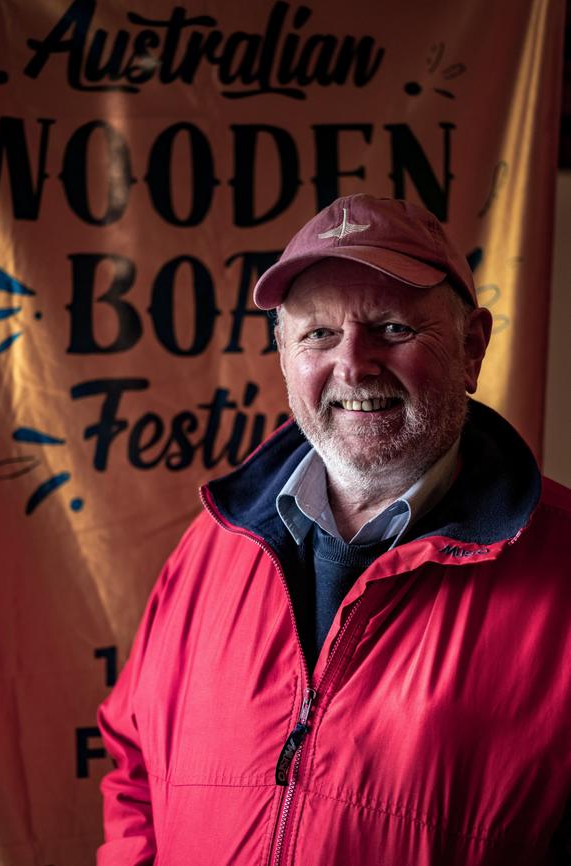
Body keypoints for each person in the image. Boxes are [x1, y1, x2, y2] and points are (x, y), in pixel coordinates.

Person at [97, 195, 571, 866]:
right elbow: (132, 763)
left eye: (393, 328)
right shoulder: (212, 545)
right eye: (318, 333)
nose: (354, 364)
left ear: (471, 347)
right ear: (285, 355)